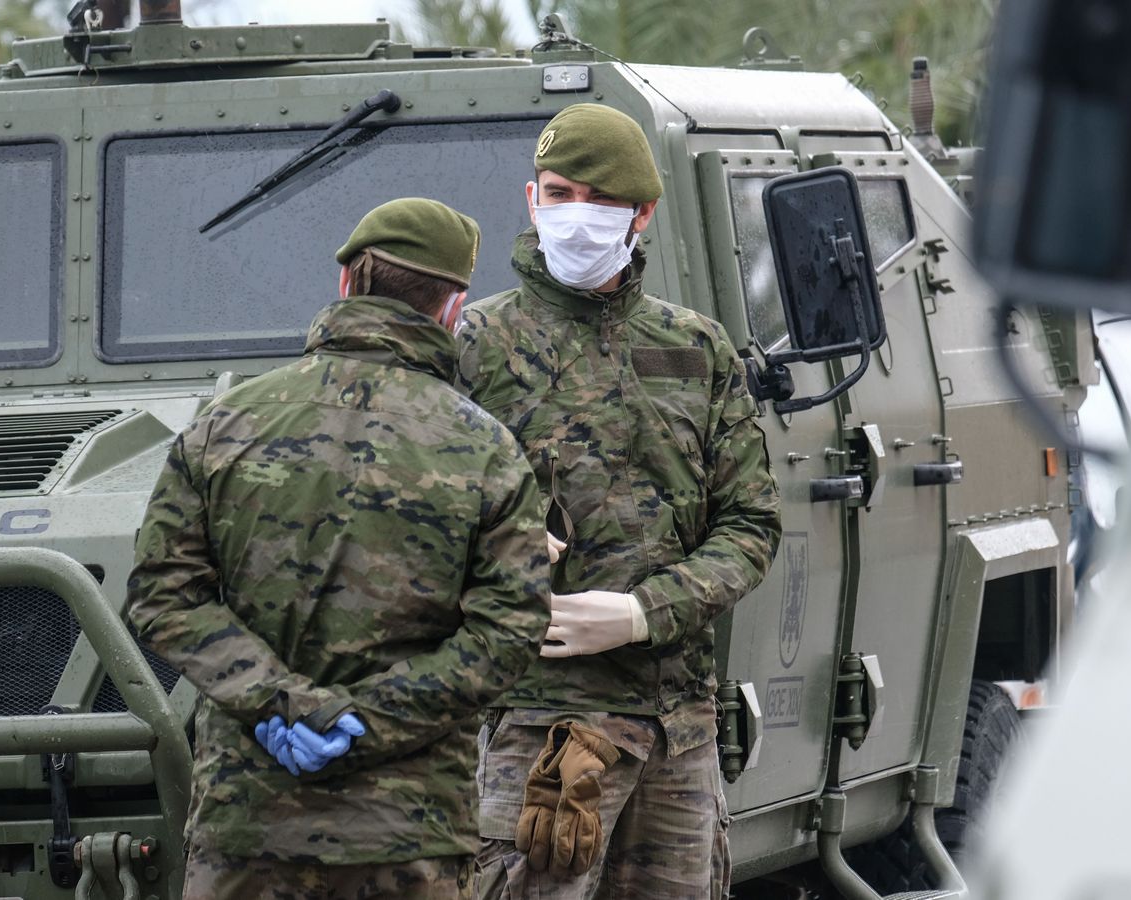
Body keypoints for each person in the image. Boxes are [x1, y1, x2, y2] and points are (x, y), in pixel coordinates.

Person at [127, 197, 552, 900]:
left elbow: (162, 593)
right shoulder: (484, 448)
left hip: (249, 826)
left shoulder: (224, 424)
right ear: (453, 309)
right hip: (405, 832)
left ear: (350, 282)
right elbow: (508, 631)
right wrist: (364, 722)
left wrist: (281, 705)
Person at [457, 104, 782, 899]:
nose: (571, 214)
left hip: (677, 727)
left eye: (593, 199)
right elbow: (406, 524)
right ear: (531, 198)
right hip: (535, 725)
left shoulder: (697, 349)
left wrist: (643, 613)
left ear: (641, 214)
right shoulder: (471, 346)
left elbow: (750, 523)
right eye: (555, 192)